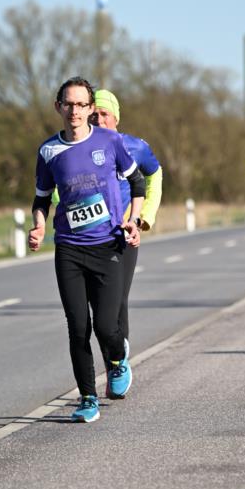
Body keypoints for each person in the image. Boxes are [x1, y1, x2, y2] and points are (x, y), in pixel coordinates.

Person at [28, 77, 145, 423]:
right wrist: (37, 224)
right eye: (69, 104)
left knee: (107, 327)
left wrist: (134, 221)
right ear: (58, 107)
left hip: (108, 244)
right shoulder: (49, 151)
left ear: (91, 108)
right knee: (78, 325)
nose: (75, 111)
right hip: (68, 249)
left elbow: (137, 181)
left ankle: (116, 359)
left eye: (82, 105)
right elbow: (41, 198)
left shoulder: (110, 141)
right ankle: (87, 397)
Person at [90, 89, 163, 368]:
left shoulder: (135, 147)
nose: (98, 119)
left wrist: (144, 216)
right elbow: (61, 185)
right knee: (98, 306)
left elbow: (154, 174)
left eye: (104, 114)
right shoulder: (75, 149)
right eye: (93, 114)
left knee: (117, 299)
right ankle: (115, 356)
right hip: (87, 236)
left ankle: (116, 365)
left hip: (122, 234)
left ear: (116, 118)